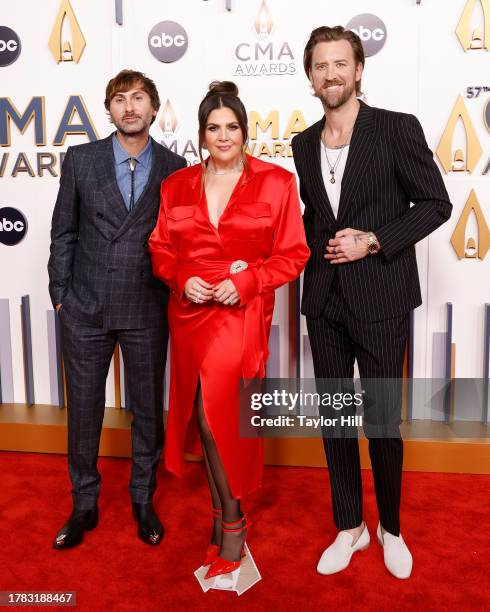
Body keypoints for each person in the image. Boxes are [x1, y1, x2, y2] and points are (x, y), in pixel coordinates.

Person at [292, 27, 452, 579]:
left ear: (359, 69)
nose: (331, 74)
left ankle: (391, 528)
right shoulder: (302, 142)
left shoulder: (395, 129)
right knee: (335, 422)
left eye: (341, 64)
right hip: (325, 302)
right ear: (310, 75)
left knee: (382, 421)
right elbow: (316, 220)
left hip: (382, 299)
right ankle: (349, 525)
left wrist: (375, 239)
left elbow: (437, 202)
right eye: (321, 65)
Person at [149, 81, 309, 579]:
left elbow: (293, 254)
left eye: (232, 127)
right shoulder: (176, 185)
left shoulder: (276, 183)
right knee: (201, 413)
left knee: (218, 416)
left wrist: (248, 281)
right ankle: (223, 518)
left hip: (239, 315)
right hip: (189, 313)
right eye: (213, 128)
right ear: (201, 135)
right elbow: (160, 247)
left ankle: (233, 525)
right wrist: (181, 278)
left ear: (245, 132)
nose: (223, 137)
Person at [48, 69, 186, 549]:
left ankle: (142, 499)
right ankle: (84, 503)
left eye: (139, 98)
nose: (129, 107)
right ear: (108, 109)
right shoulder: (80, 160)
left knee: (147, 410)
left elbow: (181, 238)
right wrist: (60, 295)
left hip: (147, 306)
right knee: (84, 412)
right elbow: (63, 231)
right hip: (83, 307)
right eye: (120, 99)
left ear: (154, 107)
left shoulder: (175, 166)